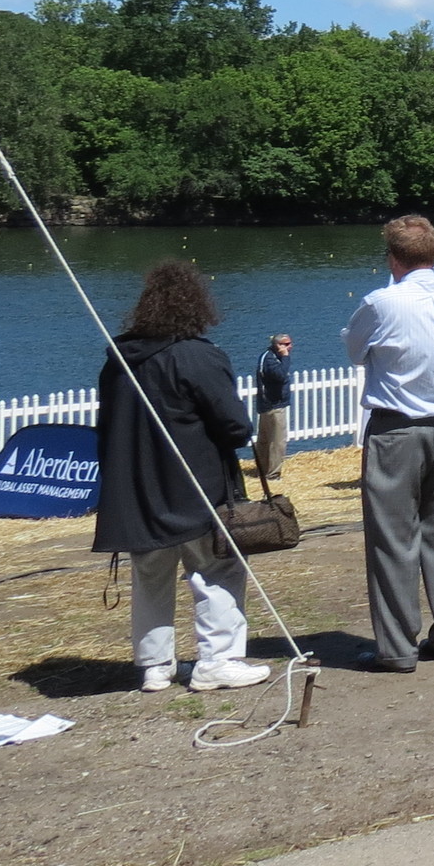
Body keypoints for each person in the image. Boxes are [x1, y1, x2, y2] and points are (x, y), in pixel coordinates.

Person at [93, 260, 269, 694]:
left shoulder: (118, 360)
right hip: (196, 486)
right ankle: (218, 660)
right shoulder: (198, 356)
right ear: (197, 307)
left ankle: (155, 666)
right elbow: (234, 427)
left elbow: (107, 423)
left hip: (137, 488)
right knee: (217, 570)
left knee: (150, 574)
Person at [342, 215, 434, 672]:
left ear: (393, 258)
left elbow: (354, 350)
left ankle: (399, 646)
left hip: (397, 428)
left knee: (393, 540)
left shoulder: (382, 301)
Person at [254, 334, 294, 481]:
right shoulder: (270, 359)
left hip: (268, 404)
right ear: (277, 345)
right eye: (285, 344)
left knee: (264, 439)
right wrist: (285, 357)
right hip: (273, 405)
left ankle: (262, 470)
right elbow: (281, 375)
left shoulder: (269, 357)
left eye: (290, 343)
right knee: (277, 441)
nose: (289, 347)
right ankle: (273, 474)